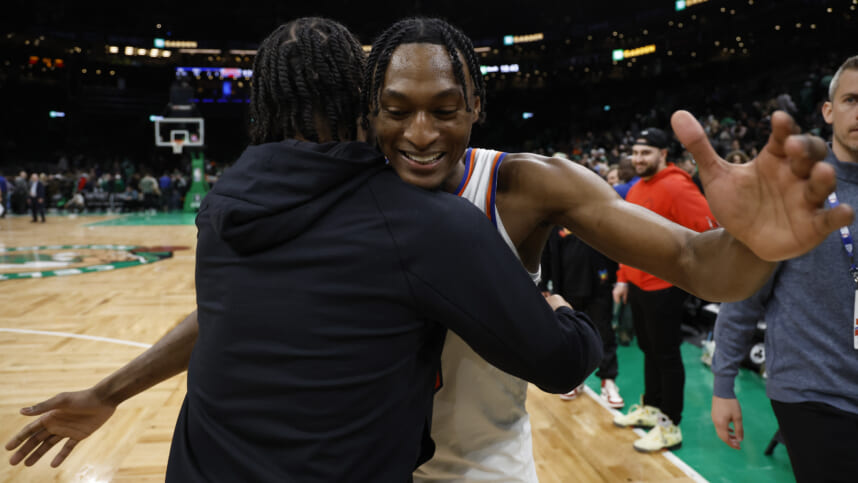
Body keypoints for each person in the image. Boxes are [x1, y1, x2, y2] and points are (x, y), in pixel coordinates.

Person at [6, 16, 853, 483]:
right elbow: (232, 312)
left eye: (444, 109)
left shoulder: (526, 183)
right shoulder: (338, 189)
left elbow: (703, 266)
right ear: (364, 111)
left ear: (475, 105)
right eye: (397, 110)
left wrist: (756, 244)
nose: (420, 133)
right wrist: (112, 389)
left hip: (476, 467)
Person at [5, 18, 602, 481]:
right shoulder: (424, 222)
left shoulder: (220, 211)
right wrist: (563, 315)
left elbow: (215, 320)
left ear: (264, 102)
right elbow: (560, 364)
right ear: (366, 100)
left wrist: (106, 393)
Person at [710, 55, 858, 483]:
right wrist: (723, 384)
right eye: (851, 99)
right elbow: (744, 295)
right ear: (828, 111)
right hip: (813, 396)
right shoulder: (791, 190)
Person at [611, 127, 718, 452]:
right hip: (638, 284)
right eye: (635, 153)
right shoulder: (636, 188)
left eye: (646, 152)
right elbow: (626, 239)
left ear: (663, 154)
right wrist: (623, 277)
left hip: (665, 285)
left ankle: (670, 425)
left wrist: (687, 270)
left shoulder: (676, 186)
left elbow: (709, 230)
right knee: (649, 349)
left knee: (666, 355)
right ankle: (652, 408)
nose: (638, 158)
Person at [541, 227, 623, 408]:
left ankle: (608, 381)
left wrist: (617, 278)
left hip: (599, 286)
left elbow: (613, 245)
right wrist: (543, 282)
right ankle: (575, 380)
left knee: (605, 333)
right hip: (567, 288)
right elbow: (545, 250)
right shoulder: (556, 223)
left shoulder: (596, 218)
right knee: (570, 336)